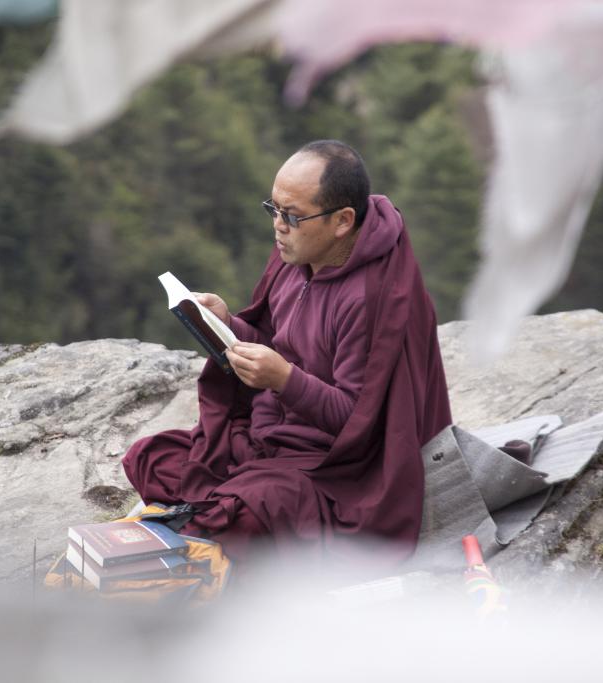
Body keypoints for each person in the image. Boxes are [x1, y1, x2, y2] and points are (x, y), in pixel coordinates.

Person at [122, 140, 451, 569]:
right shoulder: (295, 257)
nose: (278, 226)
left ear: (342, 221)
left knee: (241, 512)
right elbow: (276, 341)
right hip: (268, 438)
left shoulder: (375, 297)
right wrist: (227, 325)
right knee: (151, 457)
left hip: (333, 467)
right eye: (273, 209)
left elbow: (359, 422)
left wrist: (284, 380)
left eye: (292, 216)